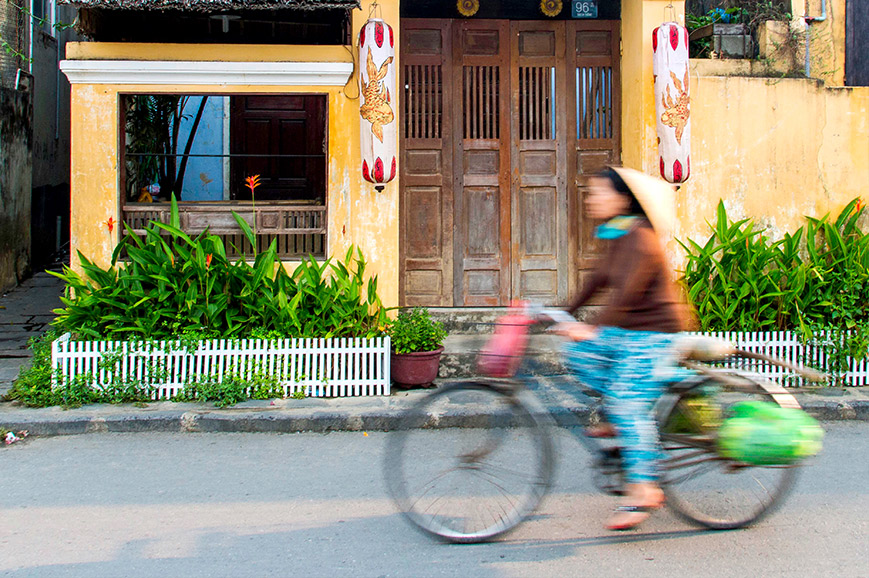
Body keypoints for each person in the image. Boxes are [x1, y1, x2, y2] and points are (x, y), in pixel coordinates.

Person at [553, 166, 687, 531]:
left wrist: (591, 328)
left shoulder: (640, 239)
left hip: (652, 335)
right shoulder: (617, 235)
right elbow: (598, 280)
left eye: (597, 193)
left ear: (621, 199)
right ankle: (619, 420)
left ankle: (644, 488)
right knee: (579, 356)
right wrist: (561, 314)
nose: (590, 199)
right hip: (628, 332)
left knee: (628, 401)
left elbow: (626, 295)